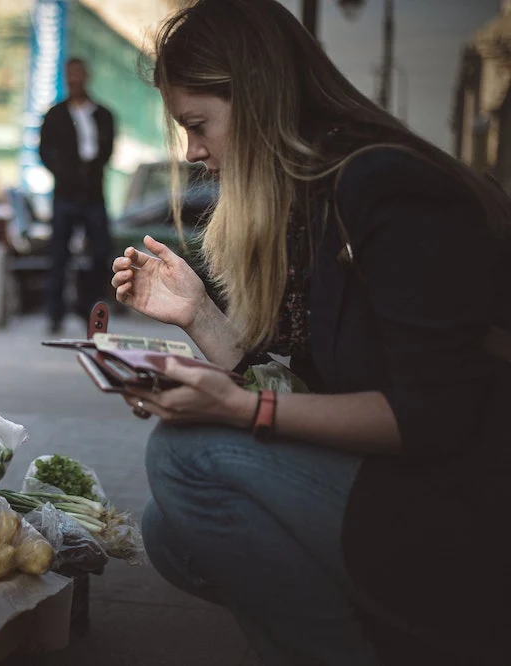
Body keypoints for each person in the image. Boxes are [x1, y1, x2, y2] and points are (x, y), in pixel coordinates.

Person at [110, 1, 511, 664]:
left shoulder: (387, 187)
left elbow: (433, 416)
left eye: (199, 125)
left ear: (259, 98)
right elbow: (310, 388)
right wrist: (198, 316)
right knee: (171, 532)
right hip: (403, 488)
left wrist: (239, 408)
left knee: (183, 459)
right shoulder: (315, 199)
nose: (195, 152)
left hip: (470, 515)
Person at [39, 57, 116, 334]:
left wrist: (91, 170)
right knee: (58, 255)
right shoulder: (55, 114)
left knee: (99, 253)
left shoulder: (103, 114)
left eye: (78, 75)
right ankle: (55, 313)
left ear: (86, 77)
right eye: (70, 76)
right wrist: (62, 172)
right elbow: (43, 151)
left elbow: (107, 151)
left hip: (93, 194)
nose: (74, 81)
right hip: (65, 195)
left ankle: (92, 309)